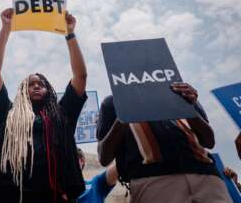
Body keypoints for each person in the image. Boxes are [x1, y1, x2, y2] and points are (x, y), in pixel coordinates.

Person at [0, 8, 88, 202]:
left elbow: (80, 76)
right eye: (30, 84)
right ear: (23, 91)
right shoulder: (8, 114)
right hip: (13, 197)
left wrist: (70, 33)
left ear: (49, 90)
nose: (36, 86)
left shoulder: (62, 113)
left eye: (41, 84)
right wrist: (6, 29)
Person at [97, 83, 232, 203]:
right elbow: (104, 157)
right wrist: (124, 115)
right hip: (153, 182)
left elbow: (209, 141)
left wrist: (188, 107)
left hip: (208, 180)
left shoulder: (181, 92)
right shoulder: (112, 103)